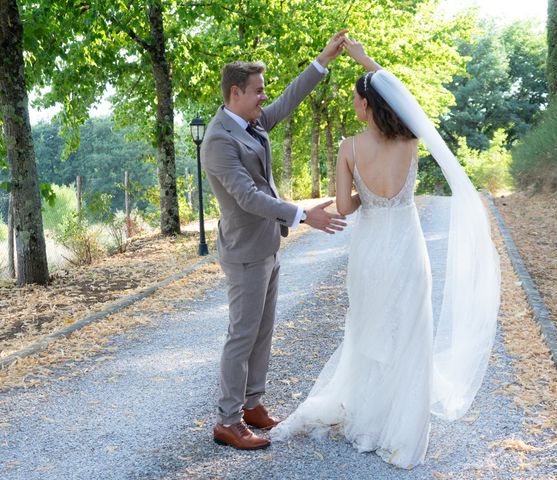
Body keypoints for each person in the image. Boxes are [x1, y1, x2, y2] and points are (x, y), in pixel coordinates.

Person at [271, 39, 501, 469]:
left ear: (367, 103)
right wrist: (363, 61)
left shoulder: (349, 148)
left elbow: (343, 207)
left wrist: (363, 195)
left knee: (369, 329)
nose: (355, 106)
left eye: (358, 100)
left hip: (371, 247)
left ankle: (369, 417)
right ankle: (403, 428)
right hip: (407, 245)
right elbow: (403, 98)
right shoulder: (410, 139)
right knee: (410, 332)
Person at [201, 31, 349, 450]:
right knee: (242, 335)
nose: (264, 98)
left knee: (262, 332)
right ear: (235, 93)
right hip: (244, 253)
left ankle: (252, 405)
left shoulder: (250, 121)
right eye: (257, 92)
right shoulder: (217, 141)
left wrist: (323, 59)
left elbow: (288, 99)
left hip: (267, 245)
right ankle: (227, 421)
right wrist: (303, 214)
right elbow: (248, 197)